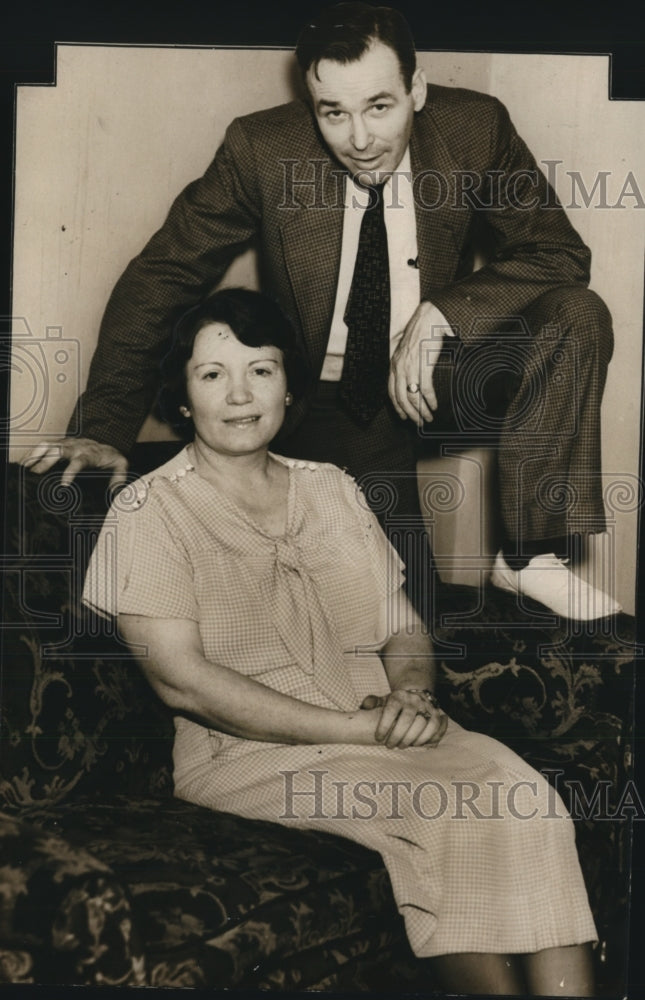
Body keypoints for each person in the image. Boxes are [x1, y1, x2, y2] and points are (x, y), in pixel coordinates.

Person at [27, 2, 620, 621]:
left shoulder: (476, 128)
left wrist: (445, 311)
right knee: (402, 621)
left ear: (416, 89)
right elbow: (166, 273)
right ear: (311, 102)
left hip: (440, 376)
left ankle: (527, 558)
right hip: (335, 399)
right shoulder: (260, 148)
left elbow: (557, 252)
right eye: (333, 112)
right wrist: (102, 426)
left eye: (379, 107)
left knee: (578, 313)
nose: (359, 140)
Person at [83, 288, 597, 996]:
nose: (239, 394)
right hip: (248, 756)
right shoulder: (146, 509)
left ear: (289, 388)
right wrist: (357, 727)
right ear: (180, 397)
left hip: (375, 726)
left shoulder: (331, 488)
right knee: (446, 815)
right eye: (211, 375)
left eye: (260, 370)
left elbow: (402, 627)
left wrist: (411, 695)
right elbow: (183, 682)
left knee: (522, 796)